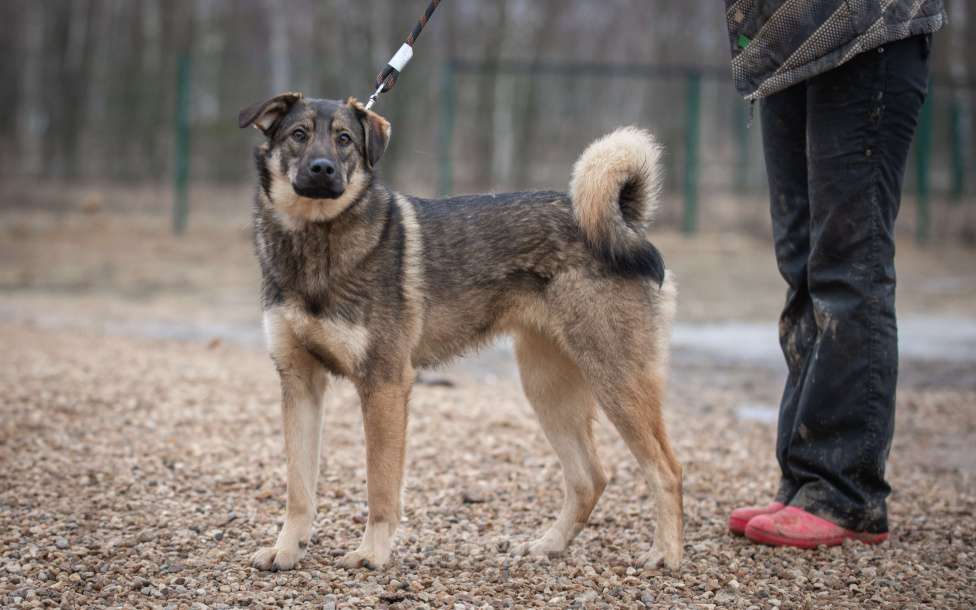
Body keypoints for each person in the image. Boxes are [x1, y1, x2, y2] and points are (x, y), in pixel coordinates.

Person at [723, 1, 947, 547]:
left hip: (867, 33)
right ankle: (803, 478)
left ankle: (845, 490)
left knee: (850, 264)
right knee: (802, 264)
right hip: (786, 48)